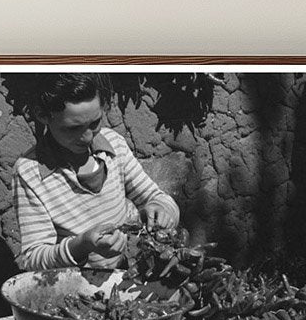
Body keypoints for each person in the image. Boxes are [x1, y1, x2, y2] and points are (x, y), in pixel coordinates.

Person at [12, 74, 180, 270]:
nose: (87, 137)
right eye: (73, 128)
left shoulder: (113, 145)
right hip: (73, 290)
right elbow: (33, 259)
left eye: (94, 123)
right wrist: (81, 245)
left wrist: (163, 210)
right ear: (43, 116)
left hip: (123, 276)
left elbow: (157, 198)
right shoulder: (30, 173)